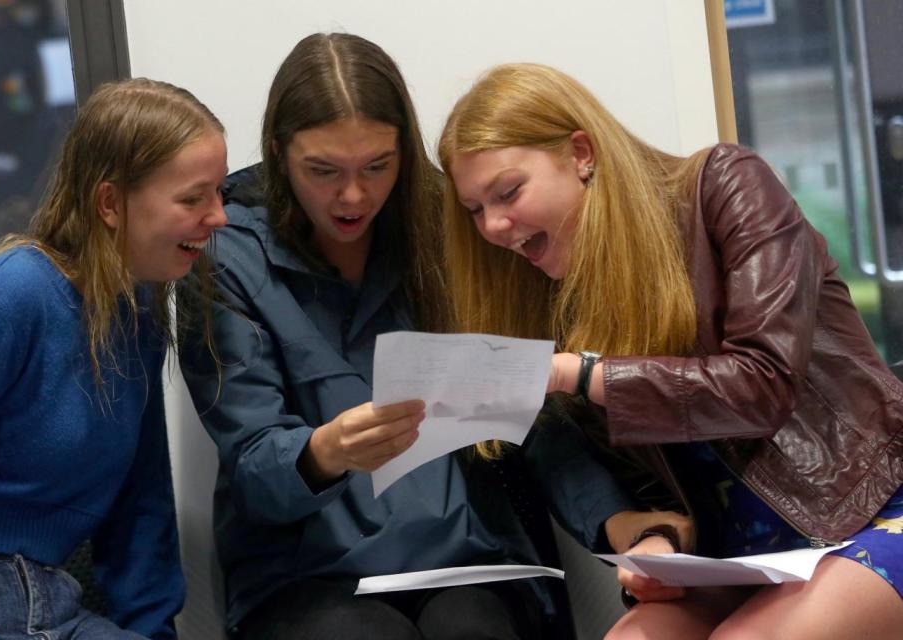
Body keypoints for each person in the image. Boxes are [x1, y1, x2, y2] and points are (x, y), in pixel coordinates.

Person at [178, 33, 689, 640]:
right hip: (303, 579)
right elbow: (253, 463)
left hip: (475, 562)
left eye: (377, 166)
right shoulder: (227, 254)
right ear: (279, 155)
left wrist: (615, 521)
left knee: (471, 630)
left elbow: (528, 413)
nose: (353, 195)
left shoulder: (449, 227)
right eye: (323, 171)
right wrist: (324, 453)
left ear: (406, 153)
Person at [437, 61, 903, 639]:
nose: (494, 226)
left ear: (582, 153)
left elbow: (762, 384)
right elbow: (645, 478)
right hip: (735, 558)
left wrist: (576, 373)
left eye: (508, 192)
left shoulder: (725, 185)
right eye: (474, 209)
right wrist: (654, 539)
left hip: (869, 508)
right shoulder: (552, 300)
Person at [0, 77, 228, 639]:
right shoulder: (11, 296)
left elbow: (139, 513)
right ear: (110, 203)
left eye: (218, 193)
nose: (218, 216)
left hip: (51, 603)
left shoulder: (139, 315)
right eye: (194, 198)